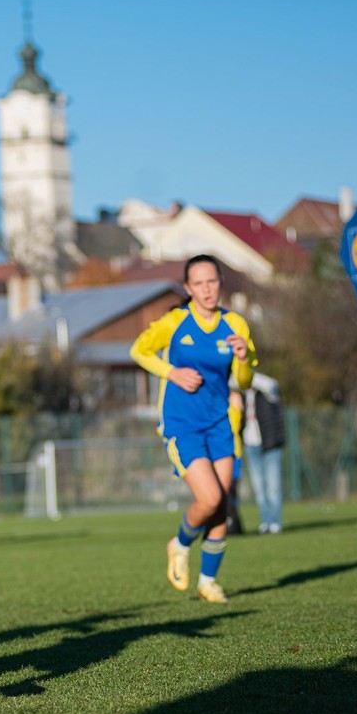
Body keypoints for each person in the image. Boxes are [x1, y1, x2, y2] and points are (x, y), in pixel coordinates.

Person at [129, 254, 256, 604]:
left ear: (220, 282)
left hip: (219, 423)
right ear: (188, 288)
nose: (207, 289)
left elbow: (244, 382)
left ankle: (208, 581)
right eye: (199, 283)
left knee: (221, 506)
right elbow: (139, 350)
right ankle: (180, 543)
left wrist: (244, 360)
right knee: (210, 497)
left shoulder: (236, 325)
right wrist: (171, 372)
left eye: (212, 281)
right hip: (182, 425)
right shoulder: (175, 322)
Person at [242, 372, 285, 534]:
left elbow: (272, 384)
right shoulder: (244, 394)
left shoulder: (267, 392)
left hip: (269, 443)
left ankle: (275, 521)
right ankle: (265, 520)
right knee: (259, 487)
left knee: (273, 486)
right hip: (250, 444)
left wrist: (247, 374)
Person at [225, 389, 245, 536]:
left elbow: (239, 423)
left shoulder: (234, 397)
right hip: (217, 453)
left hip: (233, 452)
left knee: (231, 491)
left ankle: (234, 525)